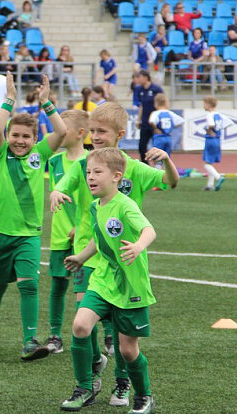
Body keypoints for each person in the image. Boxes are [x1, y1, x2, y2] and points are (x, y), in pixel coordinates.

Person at [50, 104, 177, 410]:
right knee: (82, 324)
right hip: (98, 263)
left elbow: (168, 186)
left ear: (120, 134)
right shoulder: (88, 172)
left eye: (101, 132)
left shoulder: (132, 179)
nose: (95, 137)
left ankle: (128, 385)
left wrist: (167, 160)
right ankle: (87, 383)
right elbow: (96, 229)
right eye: (92, 131)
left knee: (124, 343)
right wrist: (81, 255)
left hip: (128, 270)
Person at [59, 147, 158, 414]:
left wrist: (138, 246)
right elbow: (99, 236)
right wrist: (81, 257)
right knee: (80, 325)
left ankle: (144, 396)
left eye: (97, 172)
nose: (90, 177)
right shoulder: (95, 206)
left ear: (116, 176)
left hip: (130, 285)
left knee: (127, 350)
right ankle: (84, 388)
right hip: (103, 279)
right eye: (88, 172)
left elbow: (149, 230)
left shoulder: (125, 205)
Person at [0, 74, 67, 360]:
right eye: (15, 135)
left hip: (28, 234)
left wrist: (46, 103)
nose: (19, 140)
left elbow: (62, 132)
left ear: (35, 139)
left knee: (29, 284)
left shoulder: (40, 154)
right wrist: (10, 99)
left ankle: (30, 340)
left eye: (26, 136)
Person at [44, 109, 89, 355]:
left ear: (81, 133)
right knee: (58, 284)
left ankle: (105, 336)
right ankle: (54, 335)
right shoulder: (54, 162)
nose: (59, 133)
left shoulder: (93, 161)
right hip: (59, 234)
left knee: (92, 288)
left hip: (84, 236)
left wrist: (80, 227)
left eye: (64, 129)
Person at [132, 70, 163, 163]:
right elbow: (141, 105)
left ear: (146, 77)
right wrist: (138, 120)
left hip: (155, 123)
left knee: (157, 146)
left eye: (139, 77)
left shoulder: (156, 89)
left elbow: (162, 104)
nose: (137, 79)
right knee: (142, 146)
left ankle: (158, 165)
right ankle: (145, 165)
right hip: (145, 122)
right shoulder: (139, 89)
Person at [201, 96, 227, 191]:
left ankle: (218, 177)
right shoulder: (219, 115)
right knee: (210, 163)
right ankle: (210, 184)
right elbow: (228, 123)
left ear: (209, 105)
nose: (203, 106)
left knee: (206, 163)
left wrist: (209, 130)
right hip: (217, 140)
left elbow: (211, 125)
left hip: (210, 140)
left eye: (204, 104)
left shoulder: (210, 115)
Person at [146, 93, 184, 159]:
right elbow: (181, 121)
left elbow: (151, 121)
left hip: (159, 137)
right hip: (168, 137)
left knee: (157, 157)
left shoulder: (156, 113)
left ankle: (158, 165)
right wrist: (172, 127)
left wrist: (155, 128)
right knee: (166, 157)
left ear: (156, 103)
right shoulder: (170, 113)